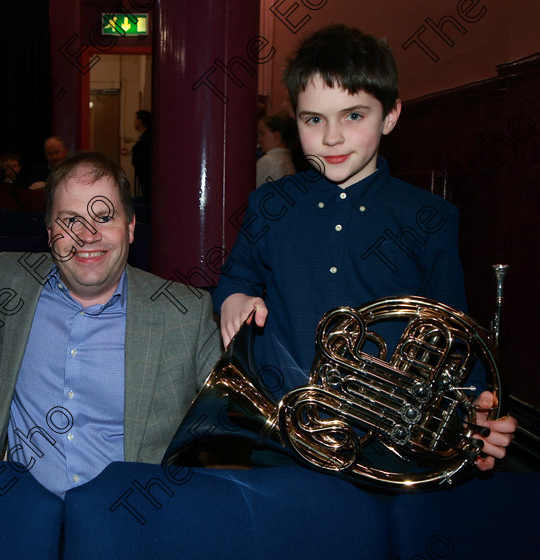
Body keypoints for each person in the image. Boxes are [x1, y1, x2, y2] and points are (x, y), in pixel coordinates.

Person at [214, 24, 515, 471]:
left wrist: (472, 411)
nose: (332, 137)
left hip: (390, 446)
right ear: (295, 120)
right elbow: (237, 275)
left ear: (390, 116)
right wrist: (233, 299)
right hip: (286, 433)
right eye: (314, 119)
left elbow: (453, 333)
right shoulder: (270, 203)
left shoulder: (430, 216)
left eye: (353, 116)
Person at [0, 151, 221, 497]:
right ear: (50, 231)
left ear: (129, 228)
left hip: (130, 521)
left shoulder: (183, 314)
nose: (87, 235)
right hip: (18, 513)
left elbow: (231, 427)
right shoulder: (9, 281)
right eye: (70, 220)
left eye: (104, 217)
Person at [255, 111, 297, 187]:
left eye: (262, 133)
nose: (259, 139)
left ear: (276, 136)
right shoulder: (289, 160)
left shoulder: (268, 161)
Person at [131, 109, 152, 201]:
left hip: (146, 176)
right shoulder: (149, 136)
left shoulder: (145, 139)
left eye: (135, 120)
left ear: (140, 121)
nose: (134, 123)